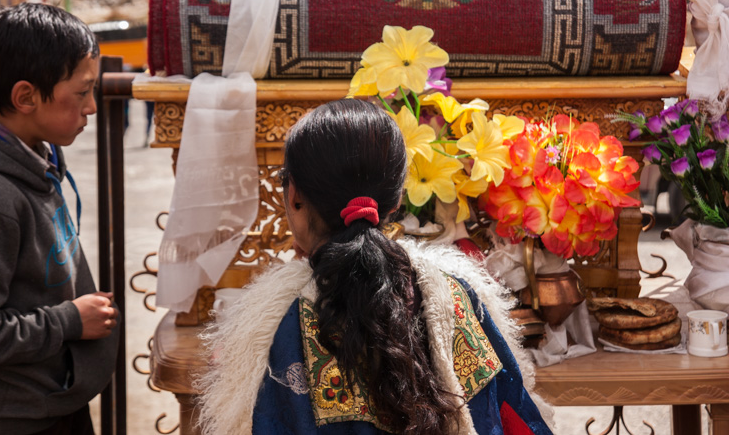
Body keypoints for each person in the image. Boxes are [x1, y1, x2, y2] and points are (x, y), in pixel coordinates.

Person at [197, 99, 553, 434]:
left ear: (294, 196)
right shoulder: (454, 295)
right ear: (396, 199)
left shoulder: (275, 320)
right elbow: (512, 415)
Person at [0, 2, 120, 435]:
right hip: (18, 417)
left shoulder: (33, 158)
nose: (92, 107)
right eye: (82, 92)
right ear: (26, 97)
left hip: (50, 396)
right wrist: (69, 321)